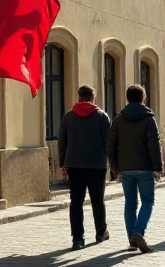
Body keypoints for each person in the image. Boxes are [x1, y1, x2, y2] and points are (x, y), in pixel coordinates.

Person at [107, 85, 163, 253]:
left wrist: (115, 167)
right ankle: (138, 232)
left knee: (130, 203)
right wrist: (158, 166)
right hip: (145, 167)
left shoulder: (118, 119)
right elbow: (154, 144)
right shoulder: (148, 119)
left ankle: (132, 239)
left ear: (127, 99)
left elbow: (111, 145)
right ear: (143, 98)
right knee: (148, 201)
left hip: (125, 168)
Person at [58, 85, 112, 250]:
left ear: (79, 97)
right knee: (97, 201)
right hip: (97, 165)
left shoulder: (68, 117)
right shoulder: (102, 117)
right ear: (93, 97)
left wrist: (63, 163)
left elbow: (62, 142)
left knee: (76, 202)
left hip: (74, 165)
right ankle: (100, 232)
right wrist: (112, 163)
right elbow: (108, 142)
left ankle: (77, 238)